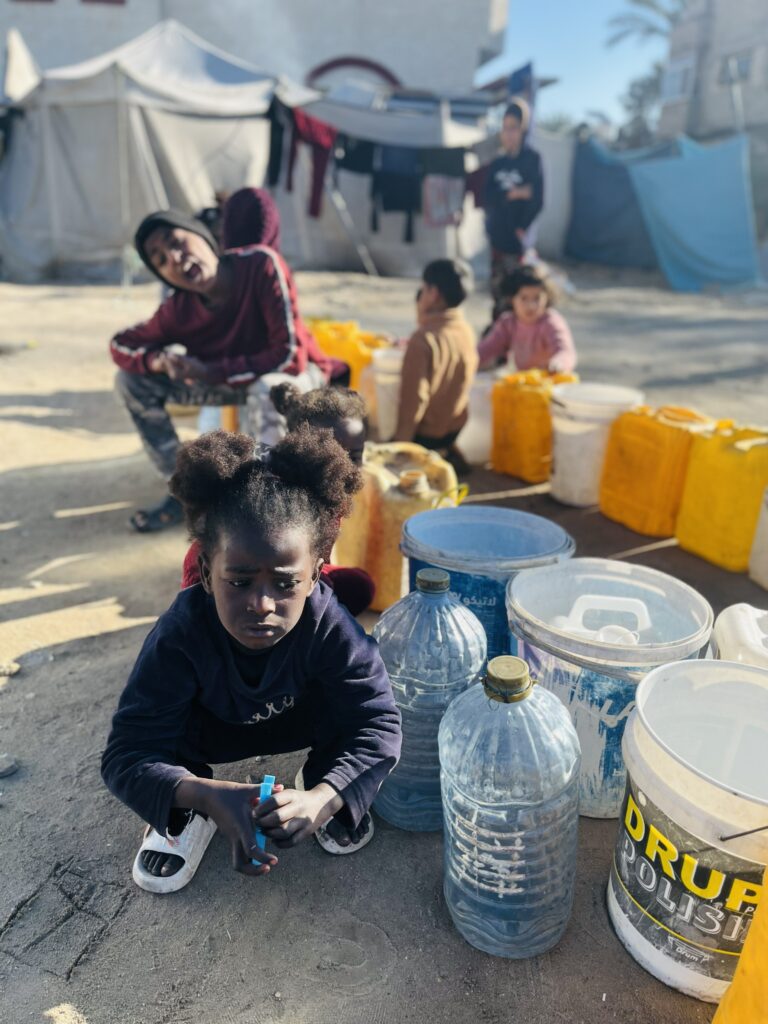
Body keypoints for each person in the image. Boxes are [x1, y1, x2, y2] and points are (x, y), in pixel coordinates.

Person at [101, 426, 401, 894]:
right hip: (205, 733)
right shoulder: (181, 633)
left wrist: (323, 798)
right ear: (205, 572)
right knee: (166, 747)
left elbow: (378, 723)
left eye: (285, 583)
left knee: (351, 713)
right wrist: (210, 795)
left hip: (295, 720)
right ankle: (188, 811)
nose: (262, 604)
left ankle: (318, 778)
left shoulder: (328, 625)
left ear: (316, 573)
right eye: (239, 582)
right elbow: (127, 753)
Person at [110, 209, 344, 533]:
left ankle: (267, 502)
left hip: (296, 375)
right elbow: (121, 344)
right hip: (228, 381)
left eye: (176, 242)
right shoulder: (179, 310)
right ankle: (186, 490)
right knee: (130, 381)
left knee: (268, 388)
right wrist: (158, 362)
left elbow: (288, 355)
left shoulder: (260, 265)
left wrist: (211, 371)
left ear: (204, 237)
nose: (174, 259)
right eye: (160, 260)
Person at [180, 383, 375, 615]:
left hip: (287, 573)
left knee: (358, 586)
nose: (344, 465)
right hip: (233, 576)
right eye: (330, 450)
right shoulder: (273, 487)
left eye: (354, 455)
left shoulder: (330, 492)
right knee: (318, 602)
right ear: (296, 441)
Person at [394, 259, 478, 475]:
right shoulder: (465, 330)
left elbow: (415, 399)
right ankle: (446, 452)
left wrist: (399, 448)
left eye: (423, 288)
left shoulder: (423, 339)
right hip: (455, 428)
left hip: (427, 436)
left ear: (433, 293)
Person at [483, 98, 544, 322]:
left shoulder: (532, 160)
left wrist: (522, 226)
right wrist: (514, 193)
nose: (509, 133)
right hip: (497, 238)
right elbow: (487, 197)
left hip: (517, 242)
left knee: (517, 297)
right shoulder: (498, 162)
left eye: (514, 128)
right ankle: (496, 349)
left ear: (523, 128)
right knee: (498, 296)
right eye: (505, 127)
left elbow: (537, 199)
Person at [477, 264, 577, 374]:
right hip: (525, 382)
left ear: (547, 297)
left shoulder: (550, 322)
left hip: (552, 381)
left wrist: (559, 363)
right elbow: (485, 350)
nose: (531, 306)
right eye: (523, 298)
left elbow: (565, 350)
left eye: (537, 298)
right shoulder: (508, 323)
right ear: (511, 299)